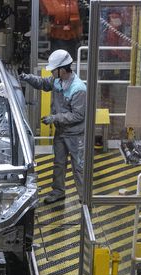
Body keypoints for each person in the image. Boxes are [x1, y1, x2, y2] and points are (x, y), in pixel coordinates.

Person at [18, 49, 88, 204]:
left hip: (76, 135)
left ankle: (84, 199)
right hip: (61, 131)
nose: (51, 72)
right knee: (59, 163)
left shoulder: (78, 89)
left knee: (79, 167)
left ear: (62, 69)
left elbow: (78, 116)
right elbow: (43, 83)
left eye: (53, 69)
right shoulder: (57, 80)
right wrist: (27, 77)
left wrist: (54, 118)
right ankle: (58, 192)